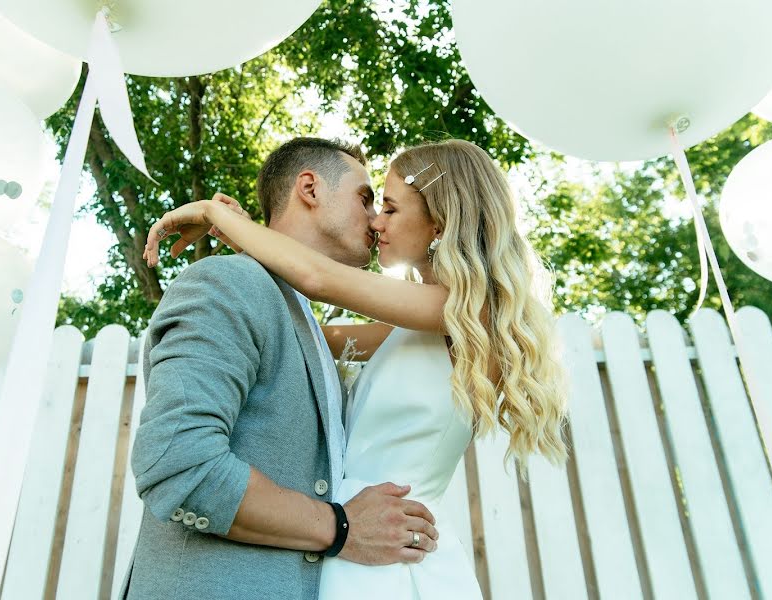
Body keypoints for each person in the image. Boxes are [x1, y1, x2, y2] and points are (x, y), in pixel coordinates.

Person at [144, 138, 570, 599]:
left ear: (440, 222)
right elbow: (303, 336)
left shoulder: (465, 312)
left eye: (388, 208)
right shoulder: (416, 326)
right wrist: (250, 241)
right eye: (371, 202)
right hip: (350, 543)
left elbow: (319, 279)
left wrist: (217, 215)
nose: (375, 221)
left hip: (386, 551)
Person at [122, 138, 440, 600]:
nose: (375, 220)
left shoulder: (304, 320)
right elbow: (178, 465)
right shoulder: (227, 282)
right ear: (309, 187)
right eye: (366, 197)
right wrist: (341, 526)